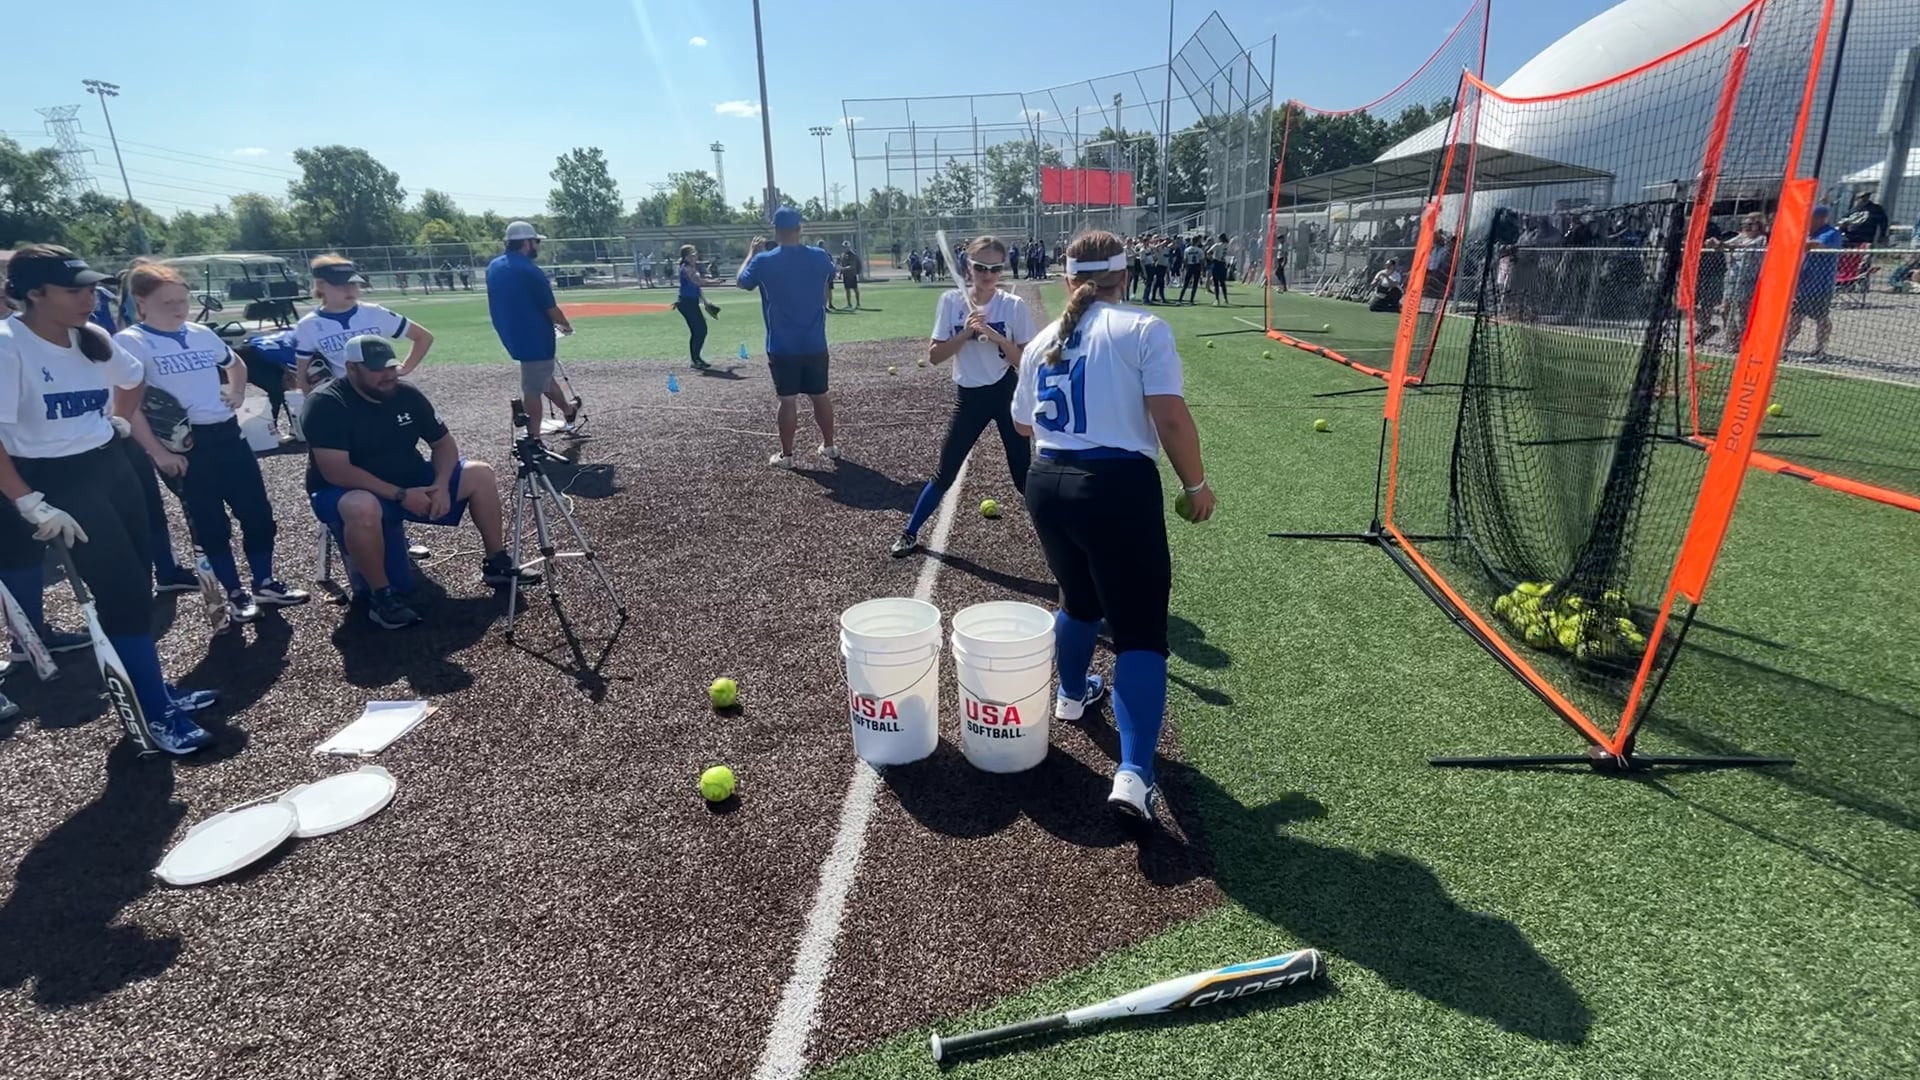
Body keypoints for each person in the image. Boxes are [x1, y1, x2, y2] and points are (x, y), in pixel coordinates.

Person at [1011, 230, 1213, 821]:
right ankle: (1134, 775)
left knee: (1078, 599)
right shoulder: (1142, 327)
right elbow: (1170, 419)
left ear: (1067, 279)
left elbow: (1023, 425)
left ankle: (1072, 695)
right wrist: (1196, 485)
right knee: (1140, 632)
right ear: (1124, 276)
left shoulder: (1043, 339)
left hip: (1047, 481)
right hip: (1115, 485)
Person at [0, 246, 213, 753]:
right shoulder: (8, 346)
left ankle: (152, 687)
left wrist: (116, 420)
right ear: (34, 293)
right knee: (120, 591)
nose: (88, 298)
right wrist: (28, 501)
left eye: (91, 288)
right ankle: (154, 713)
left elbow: (133, 378)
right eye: (73, 290)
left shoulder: (90, 336)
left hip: (110, 465)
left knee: (137, 584)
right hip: (54, 478)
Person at [302, 335, 534, 630]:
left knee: (480, 474)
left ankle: (496, 562)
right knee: (361, 506)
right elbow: (338, 472)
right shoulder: (326, 403)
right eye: (376, 369)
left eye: (390, 367)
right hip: (346, 490)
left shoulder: (406, 394)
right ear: (351, 368)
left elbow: (443, 444)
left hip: (408, 480)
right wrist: (401, 495)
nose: (388, 375)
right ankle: (382, 597)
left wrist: (441, 485)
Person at [116, 264, 307, 619]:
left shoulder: (201, 333)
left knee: (257, 513)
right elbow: (128, 407)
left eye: (182, 300)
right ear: (140, 302)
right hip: (186, 445)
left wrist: (237, 392)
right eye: (168, 302)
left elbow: (235, 364)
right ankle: (234, 594)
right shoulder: (130, 342)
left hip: (228, 434)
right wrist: (158, 453)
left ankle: (264, 582)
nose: (179, 308)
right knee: (211, 524)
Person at [891, 236, 1037, 558]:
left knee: (1023, 476)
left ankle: (1060, 537)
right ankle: (910, 533)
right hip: (969, 398)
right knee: (945, 473)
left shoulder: (1013, 306)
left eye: (995, 268)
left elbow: (1026, 362)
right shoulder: (951, 301)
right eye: (981, 267)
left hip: (1006, 393)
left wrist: (998, 338)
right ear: (968, 267)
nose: (988, 274)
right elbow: (935, 356)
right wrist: (966, 333)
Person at [736, 207, 840, 468]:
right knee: (820, 395)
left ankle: (787, 455)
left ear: (776, 230)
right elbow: (831, 272)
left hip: (782, 345)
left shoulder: (763, 261)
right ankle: (829, 446)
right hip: (815, 342)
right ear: (799, 229)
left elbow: (741, 281)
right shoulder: (818, 256)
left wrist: (752, 253)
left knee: (787, 400)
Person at [486, 221, 579, 435]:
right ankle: (533, 439)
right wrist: (566, 326)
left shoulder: (494, 266)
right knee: (532, 389)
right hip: (535, 337)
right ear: (527, 243)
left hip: (510, 333)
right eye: (536, 241)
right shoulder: (530, 271)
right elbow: (551, 309)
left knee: (542, 378)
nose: (537, 246)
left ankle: (568, 410)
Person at [294, 256, 434, 390]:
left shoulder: (375, 313)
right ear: (321, 286)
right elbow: (302, 372)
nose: (349, 289)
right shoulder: (307, 325)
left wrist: (403, 369)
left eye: (353, 283)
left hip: (384, 391)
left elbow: (423, 337)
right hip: (343, 396)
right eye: (340, 285)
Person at [1786, 205, 1843, 357]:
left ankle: (1820, 349)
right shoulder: (1806, 232)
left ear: (1821, 218)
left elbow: (1814, 245)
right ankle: (1783, 347)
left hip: (1820, 286)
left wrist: (1792, 242)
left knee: (1820, 317)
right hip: (1801, 285)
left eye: (1810, 219)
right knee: (1794, 317)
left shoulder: (1831, 233)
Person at [674, 244, 725, 371]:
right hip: (686, 303)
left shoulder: (692, 267)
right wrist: (715, 282)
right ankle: (695, 360)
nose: (695, 256)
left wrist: (705, 301)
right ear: (687, 257)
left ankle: (697, 359)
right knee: (699, 330)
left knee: (700, 330)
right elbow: (697, 281)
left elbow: (697, 287)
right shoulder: (686, 268)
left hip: (691, 302)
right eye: (693, 254)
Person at [836, 240, 863, 311]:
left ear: (849, 247)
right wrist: (840, 274)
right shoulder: (842, 255)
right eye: (844, 247)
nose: (845, 248)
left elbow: (852, 266)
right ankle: (849, 304)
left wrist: (843, 268)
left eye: (846, 247)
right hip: (845, 275)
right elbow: (841, 264)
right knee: (847, 289)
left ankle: (858, 304)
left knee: (855, 289)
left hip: (852, 274)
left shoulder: (852, 255)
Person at [1208, 232, 1231, 305]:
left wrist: (1211, 258)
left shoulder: (1217, 245)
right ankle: (1225, 299)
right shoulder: (1227, 245)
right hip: (1223, 263)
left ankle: (1217, 299)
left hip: (1217, 263)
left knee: (1216, 283)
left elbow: (1208, 252)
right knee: (1222, 282)